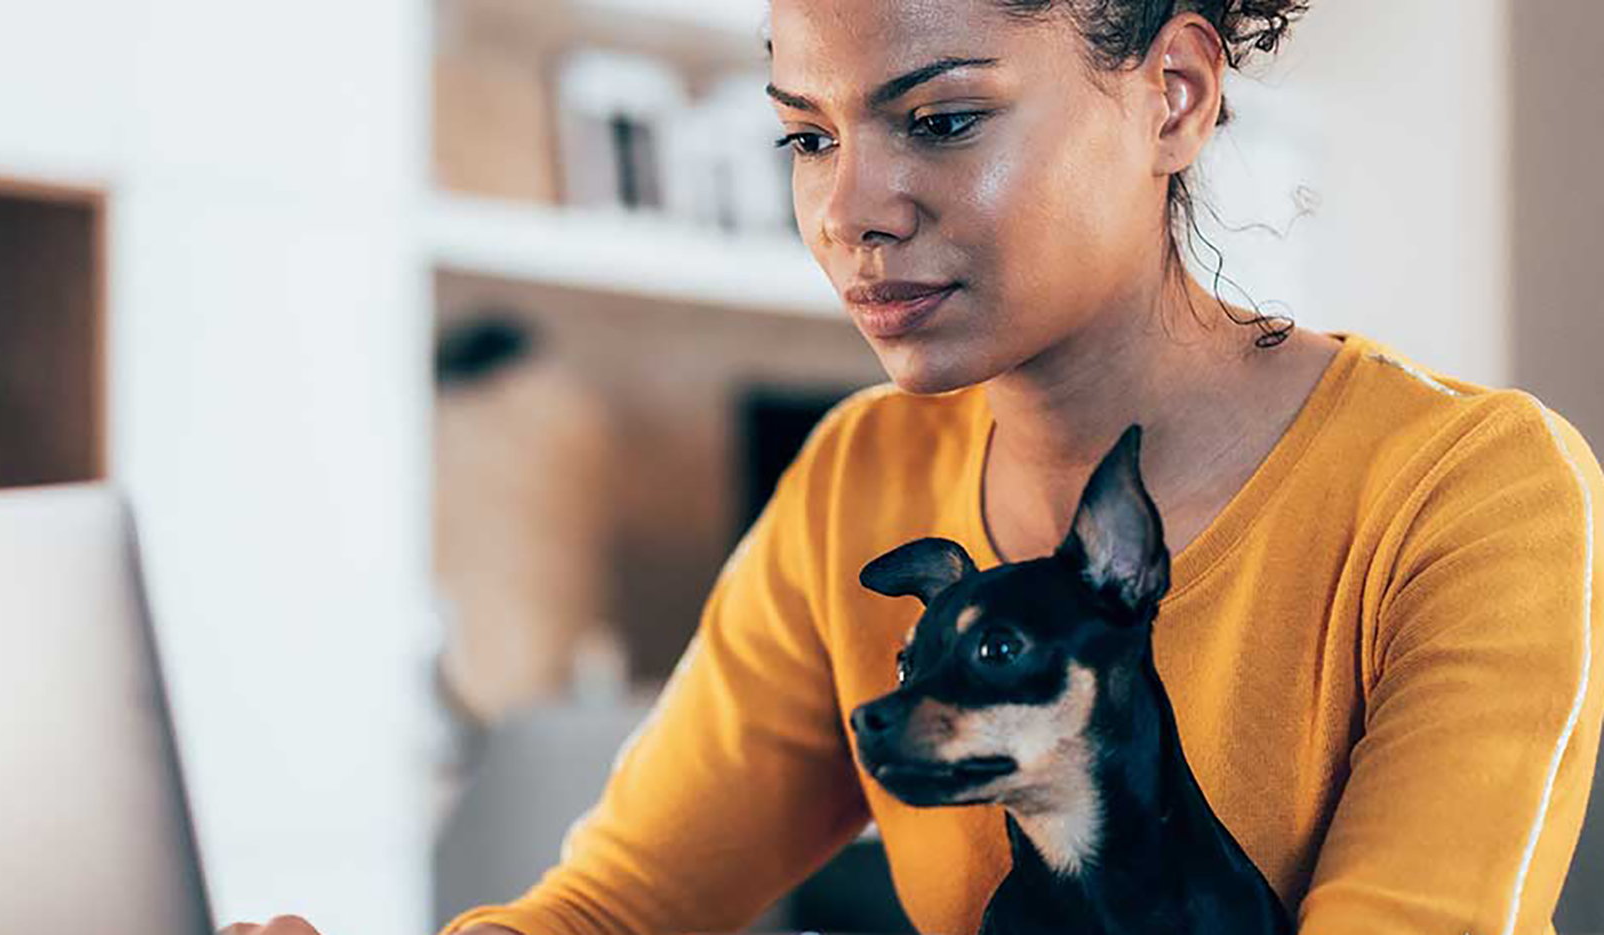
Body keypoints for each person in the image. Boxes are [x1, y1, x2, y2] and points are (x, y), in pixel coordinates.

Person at [226, 1, 1604, 933]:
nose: (846, 212)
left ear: (1174, 95)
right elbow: (620, 909)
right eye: (808, 135)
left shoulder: (1467, 488)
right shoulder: (857, 479)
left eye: (939, 120)